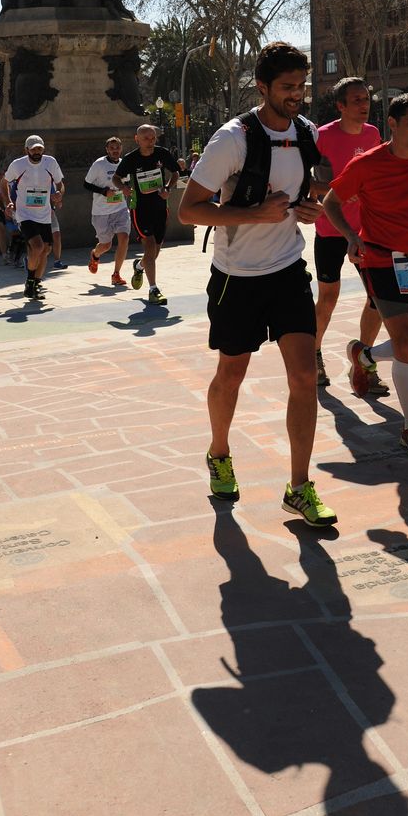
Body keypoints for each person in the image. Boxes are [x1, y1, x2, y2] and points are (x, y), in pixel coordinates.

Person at [178, 42, 336, 527]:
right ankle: (219, 452)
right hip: (236, 279)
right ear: (262, 87)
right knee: (232, 374)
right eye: (287, 88)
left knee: (305, 375)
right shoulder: (232, 139)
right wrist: (252, 214)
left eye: (302, 87)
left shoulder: (307, 134)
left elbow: (313, 191)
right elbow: (189, 211)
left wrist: (312, 209)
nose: (297, 96)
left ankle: (300, 487)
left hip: (288, 269)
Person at [322, 91, 408, 458]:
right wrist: (350, 237)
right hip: (380, 261)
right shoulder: (366, 164)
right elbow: (331, 202)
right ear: (392, 125)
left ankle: (364, 357)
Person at [312, 77, 388, 395]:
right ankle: (314, 354)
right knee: (328, 298)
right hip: (330, 230)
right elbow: (311, 186)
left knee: (379, 298)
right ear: (340, 106)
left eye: (366, 98)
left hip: (366, 230)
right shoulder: (323, 137)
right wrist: (342, 192)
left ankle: (364, 360)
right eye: (356, 100)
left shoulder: (372, 134)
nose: (364, 105)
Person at [114, 124, 180, 304]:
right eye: (146, 138)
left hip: (160, 207)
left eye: (153, 138)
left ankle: (139, 266)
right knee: (149, 247)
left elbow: (175, 172)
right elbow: (116, 178)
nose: (150, 142)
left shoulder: (162, 153)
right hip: (140, 209)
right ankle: (153, 289)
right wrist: (124, 188)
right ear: (137, 139)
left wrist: (168, 188)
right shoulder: (130, 159)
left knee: (155, 252)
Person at [3, 135, 64, 300]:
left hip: (44, 214)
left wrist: (59, 194)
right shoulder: (18, 165)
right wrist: (9, 202)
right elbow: (4, 183)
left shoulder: (50, 162)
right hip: (25, 214)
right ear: (26, 150)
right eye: (33, 148)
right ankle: (30, 282)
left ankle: (36, 281)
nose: (37, 152)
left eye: (40, 148)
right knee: (37, 247)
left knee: (46, 249)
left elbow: (59, 183)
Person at [84, 136, 131, 284]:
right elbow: (86, 184)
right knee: (106, 245)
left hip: (120, 208)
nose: (115, 150)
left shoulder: (124, 163)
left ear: (121, 148)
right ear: (107, 150)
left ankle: (116, 274)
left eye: (117, 147)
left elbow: (127, 181)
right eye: (112, 148)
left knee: (124, 238)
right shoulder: (99, 164)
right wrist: (103, 191)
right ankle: (95, 255)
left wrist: (126, 189)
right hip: (101, 211)